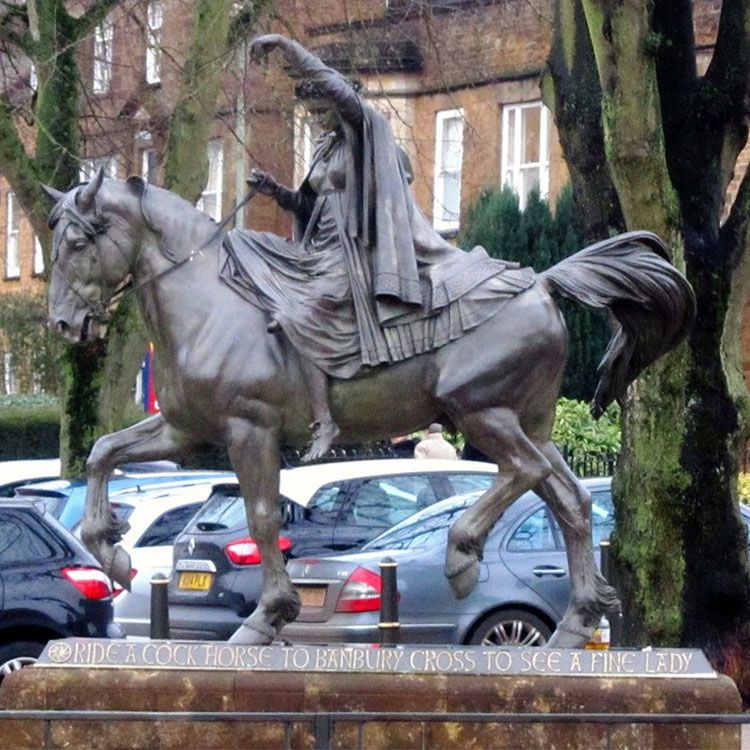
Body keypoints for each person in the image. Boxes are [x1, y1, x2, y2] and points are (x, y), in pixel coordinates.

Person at [220, 34, 534, 461]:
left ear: (340, 103)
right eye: (311, 114)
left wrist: (286, 49)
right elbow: (313, 205)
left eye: (321, 111)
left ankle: (324, 418)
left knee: (298, 311)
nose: (316, 120)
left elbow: (335, 90)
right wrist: (277, 192)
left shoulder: (365, 132)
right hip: (317, 249)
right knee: (245, 249)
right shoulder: (324, 146)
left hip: (352, 255)